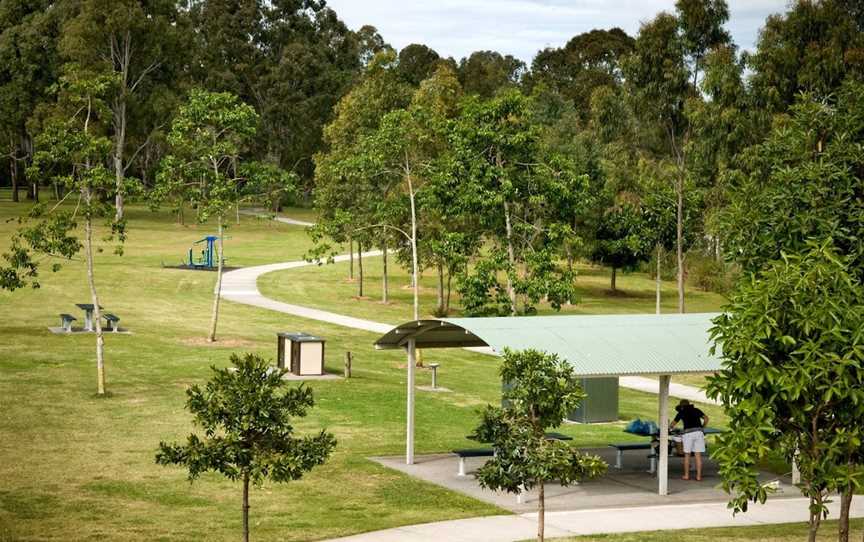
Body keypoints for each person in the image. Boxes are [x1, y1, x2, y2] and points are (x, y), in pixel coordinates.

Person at [669, 399, 709, 481]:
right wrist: (702, 427)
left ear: (681, 406)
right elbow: (706, 418)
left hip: (688, 434)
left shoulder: (681, 412)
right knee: (698, 456)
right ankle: (698, 476)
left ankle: (686, 475)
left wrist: (670, 428)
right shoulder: (696, 410)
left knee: (687, 455)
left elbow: (672, 424)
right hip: (698, 433)